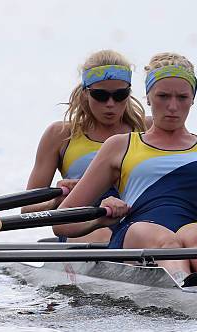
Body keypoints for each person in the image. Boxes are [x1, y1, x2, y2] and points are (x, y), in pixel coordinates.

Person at [54, 52, 197, 283]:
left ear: (193, 99)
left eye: (182, 97)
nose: (172, 106)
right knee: (160, 238)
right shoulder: (120, 146)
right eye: (163, 96)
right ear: (148, 98)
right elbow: (61, 222)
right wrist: (100, 217)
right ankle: (193, 288)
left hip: (196, 237)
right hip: (139, 237)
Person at [22, 49, 149, 243]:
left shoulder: (147, 129)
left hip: (138, 226)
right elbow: (27, 210)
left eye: (120, 95)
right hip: (83, 228)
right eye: (100, 95)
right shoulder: (61, 135)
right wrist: (58, 200)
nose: (110, 103)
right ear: (85, 93)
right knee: (102, 235)